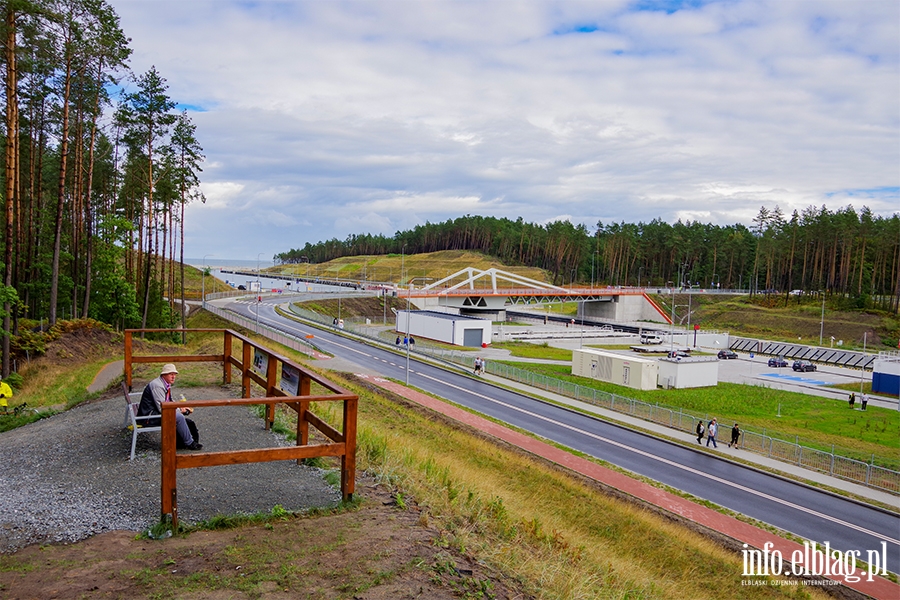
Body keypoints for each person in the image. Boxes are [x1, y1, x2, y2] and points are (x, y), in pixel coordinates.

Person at [137, 364, 202, 450]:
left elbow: (169, 401)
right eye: (171, 374)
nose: (173, 377)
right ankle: (189, 443)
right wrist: (180, 411)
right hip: (148, 417)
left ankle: (185, 440)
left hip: (152, 412)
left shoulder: (165, 383)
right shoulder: (157, 386)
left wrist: (180, 407)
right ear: (164, 375)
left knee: (179, 416)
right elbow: (162, 408)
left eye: (174, 374)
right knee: (179, 417)